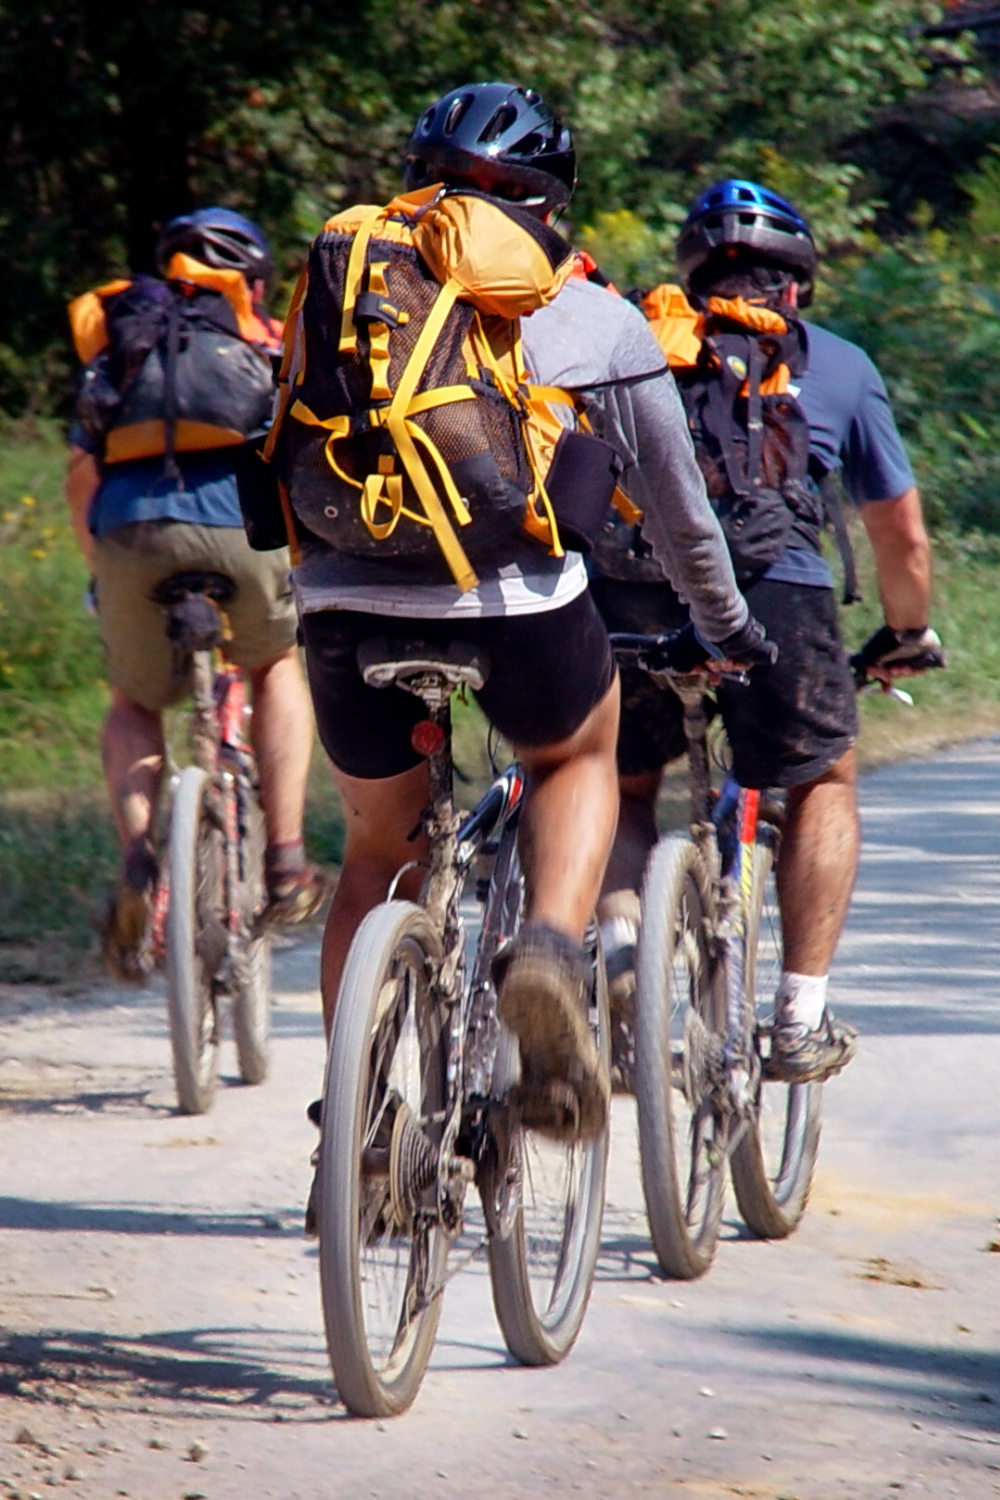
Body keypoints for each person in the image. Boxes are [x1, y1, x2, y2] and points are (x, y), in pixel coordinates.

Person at [279, 83, 771, 1167]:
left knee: (375, 851)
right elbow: (682, 516)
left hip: (343, 601)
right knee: (577, 751)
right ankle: (547, 944)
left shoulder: (352, 281)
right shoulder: (594, 313)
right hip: (516, 605)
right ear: (552, 201)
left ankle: (352, 1123)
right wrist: (726, 625)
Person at [592, 178, 943, 1082]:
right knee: (824, 775)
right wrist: (909, 631)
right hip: (776, 594)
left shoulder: (635, 338)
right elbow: (897, 530)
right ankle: (797, 1017)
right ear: (800, 279)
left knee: (623, 786)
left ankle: (625, 946)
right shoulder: (839, 364)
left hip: (632, 591)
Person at [66, 207, 325, 982]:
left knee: (134, 703)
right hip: (241, 535)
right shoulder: (266, 339)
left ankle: (142, 860)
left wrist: (100, 568)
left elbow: (83, 474)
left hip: (129, 533)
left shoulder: (123, 339)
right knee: (277, 664)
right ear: (250, 281)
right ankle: (285, 859)